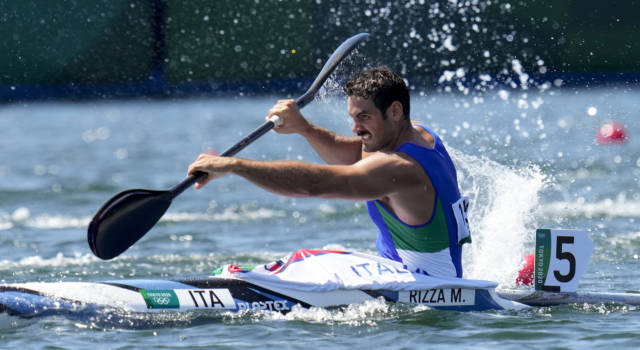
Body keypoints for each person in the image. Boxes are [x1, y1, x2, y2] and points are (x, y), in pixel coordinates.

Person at [188, 67, 471, 278]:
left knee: (304, 260)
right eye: (353, 117)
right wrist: (304, 128)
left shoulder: (399, 169)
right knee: (317, 256)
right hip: (416, 276)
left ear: (395, 111)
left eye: (364, 117)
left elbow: (312, 185)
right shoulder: (417, 134)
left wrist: (235, 166)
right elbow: (353, 154)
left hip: (422, 287)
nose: (355, 128)